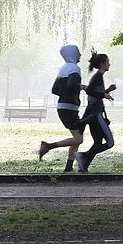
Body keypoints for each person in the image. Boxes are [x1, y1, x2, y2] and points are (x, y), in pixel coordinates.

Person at [38, 43, 84, 172]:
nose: (80, 54)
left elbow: (55, 89)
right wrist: (82, 88)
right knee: (78, 139)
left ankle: (68, 168)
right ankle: (48, 146)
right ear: (73, 54)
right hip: (69, 108)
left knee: (76, 139)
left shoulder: (63, 68)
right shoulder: (75, 68)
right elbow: (72, 85)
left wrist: (65, 95)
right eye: (78, 52)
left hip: (64, 106)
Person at [75, 52, 116, 172]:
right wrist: (104, 94)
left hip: (94, 114)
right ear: (102, 64)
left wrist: (107, 90)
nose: (109, 64)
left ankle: (84, 166)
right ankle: (83, 156)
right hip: (96, 114)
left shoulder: (98, 77)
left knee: (98, 142)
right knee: (110, 143)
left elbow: (95, 93)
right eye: (108, 62)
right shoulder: (97, 77)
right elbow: (90, 91)